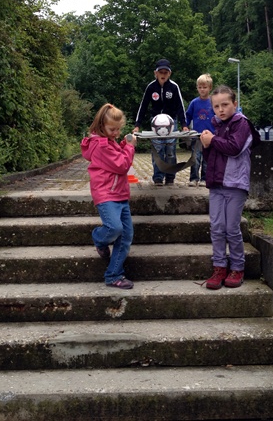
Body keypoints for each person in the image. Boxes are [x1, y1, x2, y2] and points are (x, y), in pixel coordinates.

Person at [200, 85, 260, 290]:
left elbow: (234, 148)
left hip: (235, 184)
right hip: (217, 185)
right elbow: (211, 157)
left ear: (235, 104)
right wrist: (206, 145)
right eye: (216, 106)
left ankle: (237, 267)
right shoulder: (217, 125)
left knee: (232, 229)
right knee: (217, 227)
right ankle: (219, 267)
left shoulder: (241, 123)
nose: (221, 110)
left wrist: (212, 140)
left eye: (225, 105)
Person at [81, 103, 137, 289]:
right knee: (114, 228)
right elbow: (121, 165)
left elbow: (116, 156)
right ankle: (98, 238)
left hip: (120, 194)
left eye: (118, 129)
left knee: (126, 236)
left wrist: (123, 145)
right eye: (112, 129)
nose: (116, 133)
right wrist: (130, 147)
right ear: (101, 126)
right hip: (107, 195)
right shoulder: (101, 145)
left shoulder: (109, 141)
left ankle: (114, 275)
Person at [134, 58, 188, 186]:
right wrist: (137, 125)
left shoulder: (174, 87)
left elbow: (180, 106)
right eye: (160, 72)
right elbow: (143, 106)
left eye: (165, 72)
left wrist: (184, 125)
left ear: (169, 73)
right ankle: (158, 177)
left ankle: (170, 177)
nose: (163, 74)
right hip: (156, 124)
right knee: (158, 150)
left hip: (171, 123)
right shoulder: (151, 87)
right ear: (155, 73)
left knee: (170, 151)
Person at [185, 73, 215, 187]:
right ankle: (194, 178)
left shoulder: (213, 102)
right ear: (197, 88)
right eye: (200, 87)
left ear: (210, 87)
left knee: (207, 159)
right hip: (196, 136)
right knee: (195, 158)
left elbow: (218, 117)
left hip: (209, 136)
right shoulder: (194, 102)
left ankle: (205, 179)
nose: (202, 89)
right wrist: (185, 126)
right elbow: (188, 116)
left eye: (205, 87)